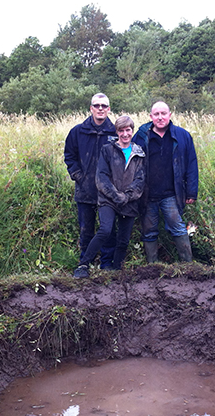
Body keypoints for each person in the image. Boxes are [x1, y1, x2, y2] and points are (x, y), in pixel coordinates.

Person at [73, 116, 146, 278]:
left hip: (130, 202)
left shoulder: (139, 153)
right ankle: (83, 264)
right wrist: (116, 196)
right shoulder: (107, 150)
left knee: (123, 240)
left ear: (132, 131)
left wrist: (126, 197)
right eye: (121, 130)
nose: (125, 134)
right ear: (116, 132)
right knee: (105, 230)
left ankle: (116, 270)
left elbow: (140, 181)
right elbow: (102, 177)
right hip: (108, 200)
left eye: (128, 130)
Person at [133, 101, 199, 263]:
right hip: (147, 195)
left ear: (170, 115)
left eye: (163, 114)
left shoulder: (182, 136)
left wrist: (191, 191)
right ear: (150, 117)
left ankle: (188, 265)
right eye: (156, 114)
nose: (160, 117)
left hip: (171, 194)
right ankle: (153, 266)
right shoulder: (141, 137)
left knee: (178, 228)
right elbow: (131, 164)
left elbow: (191, 164)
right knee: (148, 231)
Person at [64, 93, 118, 269]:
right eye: (97, 105)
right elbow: (69, 157)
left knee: (108, 230)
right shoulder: (78, 131)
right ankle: (84, 263)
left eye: (104, 106)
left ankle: (106, 263)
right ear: (91, 108)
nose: (100, 109)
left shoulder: (116, 132)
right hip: (85, 190)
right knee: (86, 230)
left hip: (108, 192)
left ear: (109, 109)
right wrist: (78, 176)